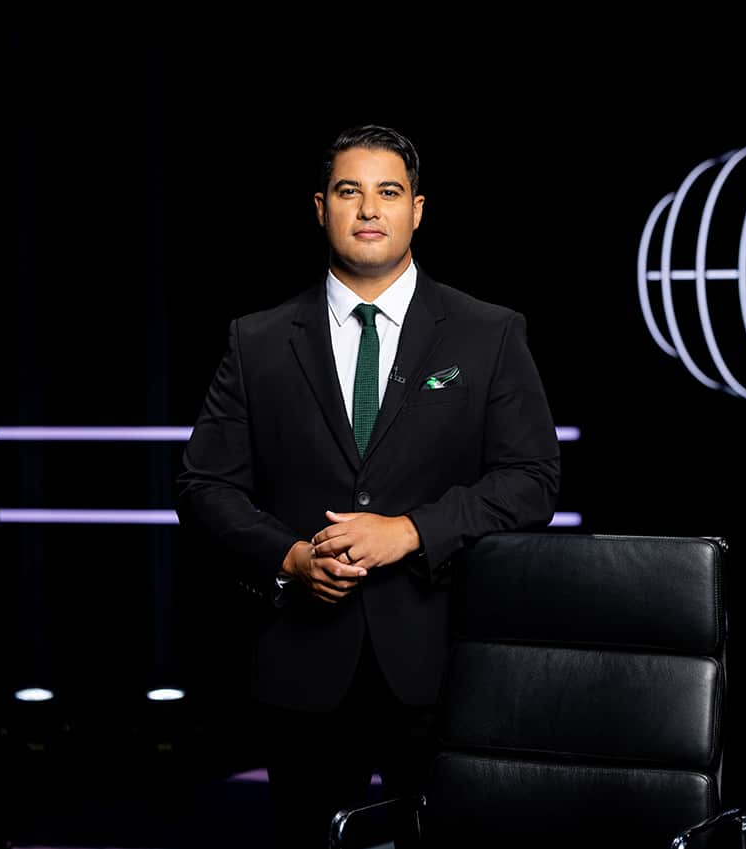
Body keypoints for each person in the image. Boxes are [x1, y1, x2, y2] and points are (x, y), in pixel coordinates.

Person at [176, 124, 560, 847]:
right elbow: (202, 487)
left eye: (389, 192)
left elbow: (533, 479)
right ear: (320, 207)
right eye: (350, 192)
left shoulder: (489, 333)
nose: (369, 209)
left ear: (419, 209)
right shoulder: (256, 340)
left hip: (444, 662)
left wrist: (410, 531)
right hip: (303, 670)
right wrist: (290, 556)